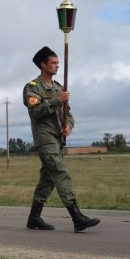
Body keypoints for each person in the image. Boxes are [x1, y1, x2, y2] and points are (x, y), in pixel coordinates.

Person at [25, 46, 100, 233]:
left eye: (58, 63)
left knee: (48, 179)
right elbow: (36, 111)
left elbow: (68, 113)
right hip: (45, 138)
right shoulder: (33, 87)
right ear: (43, 65)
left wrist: (68, 126)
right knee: (60, 172)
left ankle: (34, 218)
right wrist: (57, 100)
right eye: (53, 63)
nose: (57, 66)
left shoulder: (59, 88)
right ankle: (77, 217)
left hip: (58, 139)